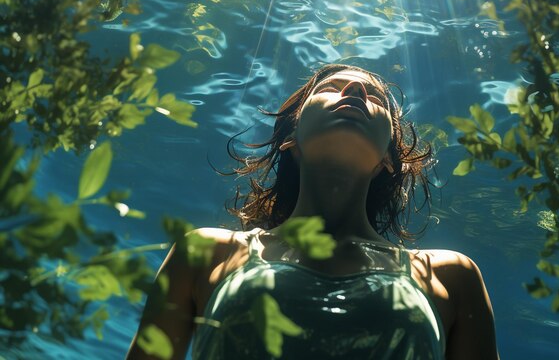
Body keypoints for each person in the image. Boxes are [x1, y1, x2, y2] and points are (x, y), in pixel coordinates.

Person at [127, 64, 499, 359]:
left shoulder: (452, 277)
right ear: (291, 138)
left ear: (389, 156)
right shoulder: (205, 253)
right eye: (330, 87)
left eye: (377, 98)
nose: (355, 91)